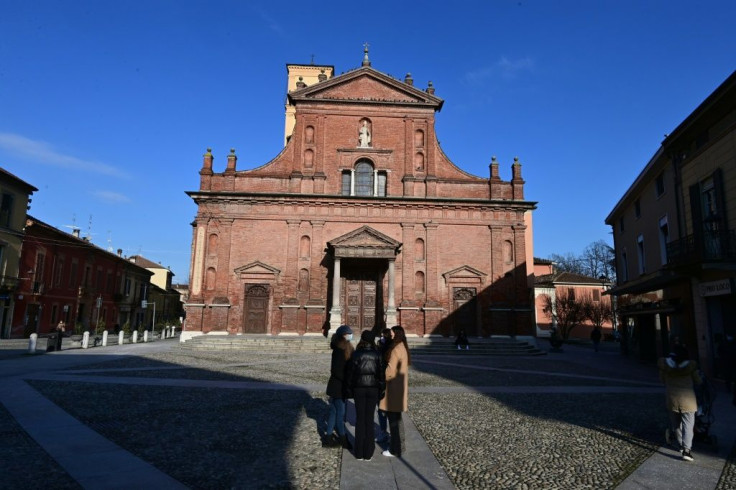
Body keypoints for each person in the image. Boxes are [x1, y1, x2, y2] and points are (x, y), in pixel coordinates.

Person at [659, 344, 702, 461]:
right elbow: (698, 381)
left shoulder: (666, 367)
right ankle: (687, 450)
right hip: (688, 401)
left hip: (672, 399)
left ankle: (681, 446)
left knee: (676, 425)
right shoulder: (690, 368)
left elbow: (662, 380)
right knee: (688, 425)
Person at [347, 330, 385, 461]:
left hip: (359, 389)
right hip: (373, 389)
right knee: (369, 420)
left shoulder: (356, 354)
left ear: (362, 340)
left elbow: (350, 374)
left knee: (360, 419)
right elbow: (381, 375)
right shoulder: (377, 354)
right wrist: (381, 389)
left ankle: (358, 452)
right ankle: (368, 453)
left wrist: (350, 389)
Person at [380, 325, 410, 458]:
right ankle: (400, 445)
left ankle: (394, 449)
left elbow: (390, 371)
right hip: (400, 386)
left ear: (396, 334)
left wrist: (380, 376)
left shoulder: (396, 349)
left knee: (393, 421)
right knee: (397, 420)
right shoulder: (403, 347)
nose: (390, 335)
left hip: (393, 387)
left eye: (391, 333)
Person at [323, 325, 354, 449]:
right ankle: (343, 439)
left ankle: (328, 437)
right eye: (348, 333)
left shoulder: (344, 348)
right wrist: (348, 381)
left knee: (333, 412)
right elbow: (336, 370)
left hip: (338, 386)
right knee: (340, 414)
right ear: (343, 335)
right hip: (338, 387)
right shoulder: (339, 350)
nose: (350, 335)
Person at [376, 328, 393, 443]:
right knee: (382, 408)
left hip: (387, 382)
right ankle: (384, 432)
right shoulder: (380, 349)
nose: (381, 338)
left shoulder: (392, 350)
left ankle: (390, 433)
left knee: (386, 409)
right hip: (382, 382)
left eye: (383, 336)